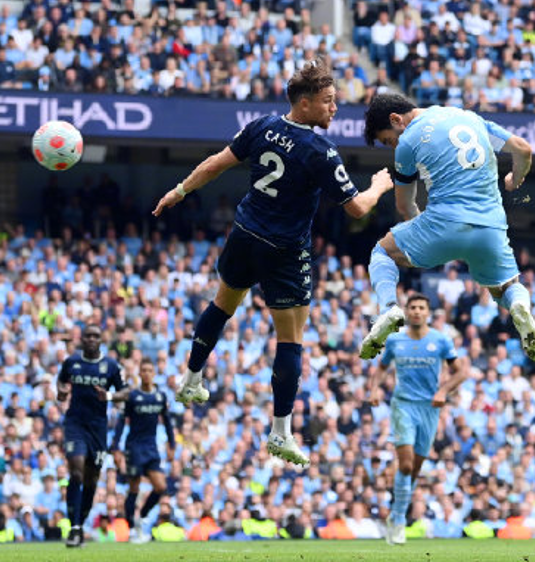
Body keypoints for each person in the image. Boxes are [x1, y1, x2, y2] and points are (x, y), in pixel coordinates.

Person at [152, 57, 394, 466]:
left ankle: (191, 378)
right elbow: (356, 210)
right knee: (291, 338)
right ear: (304, 104)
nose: (335, 108)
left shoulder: (262, 125)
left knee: (221, 305)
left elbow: (215, 164)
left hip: (244, 235)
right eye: (328, 101)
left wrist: (179, 190)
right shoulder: (321, 151)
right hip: (283, 250)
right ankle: (280, 432)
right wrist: (379, 187)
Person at [359, 93, 535, 363]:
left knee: (383, 252)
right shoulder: (469, 117)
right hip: (490, 226)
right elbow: (523, 149)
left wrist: (425, 235)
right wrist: (514, 178)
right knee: (506, 288)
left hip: (444, 222)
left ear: (396, 120)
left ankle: (388, 309)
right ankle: (519, 307)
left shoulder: (408, 142)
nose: (393, 146)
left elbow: (404, 205)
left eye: (389, 140)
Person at [367, 294, 466, 545]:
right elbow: (381, 367)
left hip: (430, 409)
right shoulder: (395, 340)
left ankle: (397, 514)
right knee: (407, 464)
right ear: (407, 312)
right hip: (403, 405)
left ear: (427, 312)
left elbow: (461, 372)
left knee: (416, 468)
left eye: (422, 307)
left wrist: (444, 391)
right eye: (413, 307)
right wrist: (374, 388)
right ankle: (399, 520)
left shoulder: (440, 340)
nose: (417, 311)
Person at [57, 324, 129, 548]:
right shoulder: (71, 362)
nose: (90, 339)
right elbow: (61, 381)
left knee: (91, 480)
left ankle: (79, 524)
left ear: (101, 340)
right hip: (75, 424)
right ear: (82, 339)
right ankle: (75, 528)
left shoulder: (110, 366)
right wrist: (61, 391)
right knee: (76, 471)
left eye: (95, 336)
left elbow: (125, 392)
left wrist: (107, 395)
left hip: (98, 429)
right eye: (87, 335)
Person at [111, 357, 175, 542]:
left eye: (150, 370)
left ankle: (142, 517)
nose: (146, 373)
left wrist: (172, 444)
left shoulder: (160, 396)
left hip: (152, 448)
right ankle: (131, 527)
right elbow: (122, 422)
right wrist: (115, 447)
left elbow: (168, 421)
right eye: (144, 370)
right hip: (134, 448)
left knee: (161, 486)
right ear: (139, 373)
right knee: (134, 488)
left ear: (153, 374)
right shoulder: (132, 396)